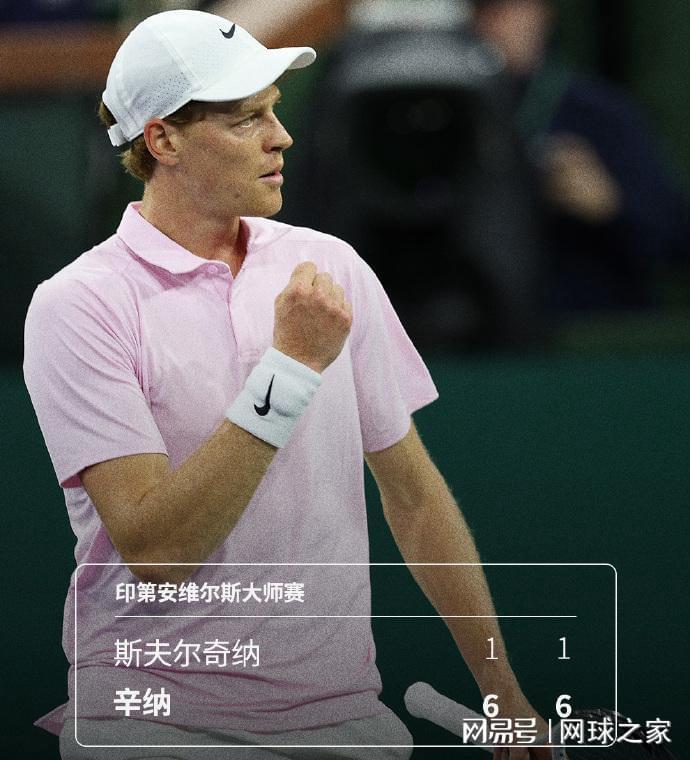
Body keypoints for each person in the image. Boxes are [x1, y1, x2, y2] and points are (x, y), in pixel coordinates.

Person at [24, 10, 549, 760]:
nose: (282, 137)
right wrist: (290, 368)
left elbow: (415, 498)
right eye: (247, 120)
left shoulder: (330, 267)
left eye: (273, 111)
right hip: (153, 727)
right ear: (162, 141)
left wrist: (504, 691)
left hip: (342, 720)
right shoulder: (80, 304)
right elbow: (159, 550)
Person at [471, 0, 689, 313]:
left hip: (591, 321)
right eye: (482, 10)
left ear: (543, 13)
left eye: (508, 8)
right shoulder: (453, 113)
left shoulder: (597, 113)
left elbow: (674, 238)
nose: (495, 24)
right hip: (485, 320)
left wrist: (610, 205)